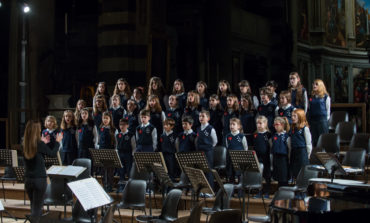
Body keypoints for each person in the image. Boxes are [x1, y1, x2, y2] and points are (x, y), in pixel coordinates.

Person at [23, 120, 63, 217]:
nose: (41, 130)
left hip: (28, 179)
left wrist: (43, 143)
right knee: (38, 208)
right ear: (36, 131)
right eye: (39, 129)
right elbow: (52, 153)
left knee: (33, 205)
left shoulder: (24, 144)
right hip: (39, 179)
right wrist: (57, 142)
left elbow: (36, 152)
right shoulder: (39, 144)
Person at [196, 110, 218, 191]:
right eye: (200, 116)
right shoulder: (198, 128)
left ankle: (210, 190)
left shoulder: (210, 129)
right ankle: (203, 190)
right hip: (200, 152)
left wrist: (208, 148)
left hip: (208, 152)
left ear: (208, 118)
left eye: (203, 116)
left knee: (208, 171)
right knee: (201, 171)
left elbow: (215, 141)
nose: (201, 118)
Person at [288, 109, 312, 179]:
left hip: (302, 152)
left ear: (300, 117)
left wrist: (308, 154)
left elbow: (308, 143)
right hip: (294, 151)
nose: (292, 118)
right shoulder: (292, 129)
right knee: (295, 171)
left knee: (302, 171)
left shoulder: (305, 128)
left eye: (294, 116)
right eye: (292, 116)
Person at [307, 79, 331, 146]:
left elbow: (328, 110)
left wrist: (326, 121)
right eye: (313, 84)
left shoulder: (326, 97)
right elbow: (309, 109)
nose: (314, 85)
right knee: (314, 140)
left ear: (321, 86)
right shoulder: (311, 97)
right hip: (313, 120)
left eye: (316, 84)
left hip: (322, 120)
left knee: (323, 140)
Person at [96, 111, 115, 192]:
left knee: (110, 170)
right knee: (103, 170)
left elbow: (115, 142)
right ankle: (104, 185)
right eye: (104, 118)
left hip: (110, 151)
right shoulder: (100, 128)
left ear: (110, 119)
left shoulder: (113, 129)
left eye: (107, 118)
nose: (105, 120)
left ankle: (110, 186)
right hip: (102, 151)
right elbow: (98, 140)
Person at [225, 118, 248, 183]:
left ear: (238, 126)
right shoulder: (228, 136)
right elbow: (227, 146)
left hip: (239, 158)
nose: (231, 126)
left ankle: (240, 192)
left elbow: (245, 148)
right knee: (231, 176)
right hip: (230, 158)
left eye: (233, 124)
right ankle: (231, 192)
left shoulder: (241, 136)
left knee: (239, 176)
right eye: (230, 124)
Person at [115, 118, 135, 192]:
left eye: (123, 125)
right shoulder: (118, 135)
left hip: (128, 155)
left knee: (129, 171)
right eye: (120, 125)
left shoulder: (130, 135)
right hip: (120, 155)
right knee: (121, 171)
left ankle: (130, 187)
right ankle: (121, 186)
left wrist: (132, 156)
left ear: (127, 125)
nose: (122, 126)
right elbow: (116, 145)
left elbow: (134, 146)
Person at [253, 115, 271, 198]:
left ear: (265, 124)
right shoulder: (255, 134)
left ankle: (267, 192)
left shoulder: (268, 134)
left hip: (266, 158)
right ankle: (259, 191)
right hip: (258, 158)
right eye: (257, 123)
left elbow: (270, 146)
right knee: (259, 176)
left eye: (260, 123)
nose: (258, 125)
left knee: (267, 176)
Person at [270, 117, 290, 188]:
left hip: (283, 159)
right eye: (274, 125)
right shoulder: (274, 136)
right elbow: (272, 149)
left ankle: (285, 192)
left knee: (284, 177)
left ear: (282, 125)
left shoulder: (286, 136)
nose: (275, 126)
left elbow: (289, 149)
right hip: (276, 158)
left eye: (277, 124)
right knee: (278, 177)